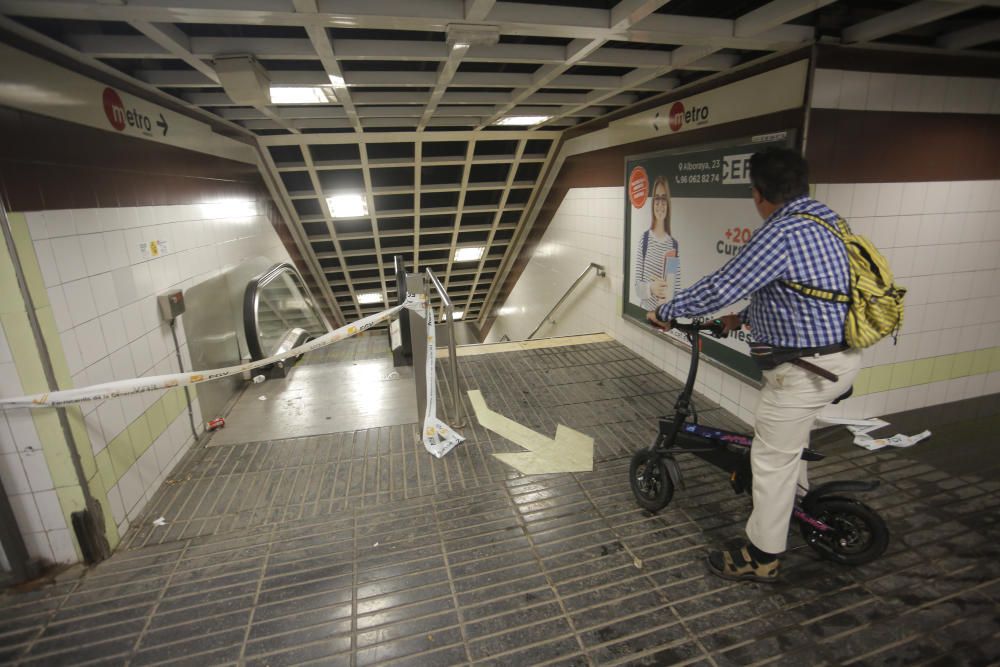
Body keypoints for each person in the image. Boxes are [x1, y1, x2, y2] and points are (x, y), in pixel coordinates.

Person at [646, 147, 861, 583]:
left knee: (768, 462)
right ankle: (794, 507)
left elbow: (723, 284)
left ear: (758, 193)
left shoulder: (780, 232)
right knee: (788, 451)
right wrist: (742, 319)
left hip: (804, 371)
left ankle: (761, 557)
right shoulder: (829, 221)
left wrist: (667, 311)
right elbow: (808, 295)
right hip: (838, 358)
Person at [633, 175, 681, 311]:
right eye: (657, 200)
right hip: (646, 316)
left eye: (664, 200)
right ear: (653, 203)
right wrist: (651, 288)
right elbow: (637, 287)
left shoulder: (673, 246)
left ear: (668, 204)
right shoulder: (645, 240)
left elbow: (675, 289)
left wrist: (667, 293)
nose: (660, 205)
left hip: (664, 317)